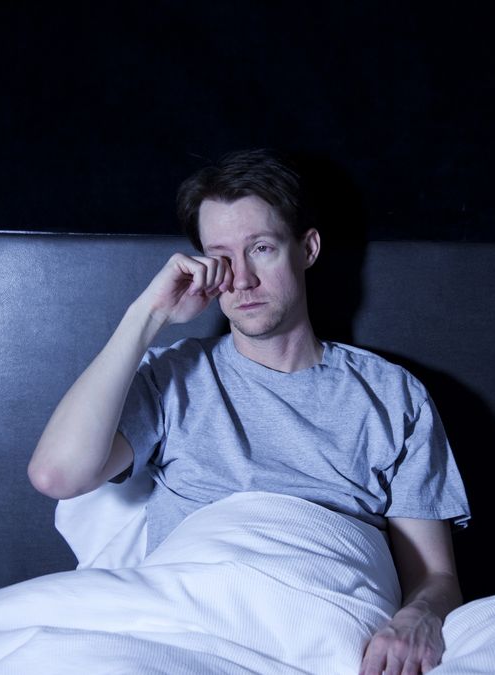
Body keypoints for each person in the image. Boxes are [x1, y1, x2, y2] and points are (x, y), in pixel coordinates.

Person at [28, 149, 470, 675]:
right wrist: (146, 315)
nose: (241, 279)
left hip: (324, 615)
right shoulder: (172, 376)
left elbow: (436, 578)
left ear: (307, 248)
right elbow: (57, 473)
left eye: (260, 248)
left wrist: (417, 616)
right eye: (221, 257)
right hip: (185, 619)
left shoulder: (392, 396)